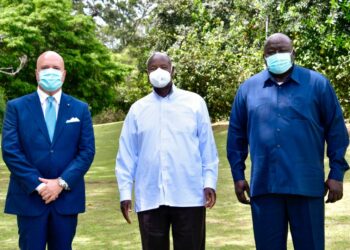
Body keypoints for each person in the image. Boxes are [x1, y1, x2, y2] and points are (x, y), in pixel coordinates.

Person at [226, 33, 349, 250]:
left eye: (282, 50)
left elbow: (337, 132)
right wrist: (238, 175)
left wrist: (336, 174)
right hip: (265, 188)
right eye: (271, 51)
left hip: (306, 187)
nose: (277, 55)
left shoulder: (318, 85)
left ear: (293, 52)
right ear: (263, 56)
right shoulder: (248, 89)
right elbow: (236, 136)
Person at [115, 52, 219, 250]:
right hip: (150, 197)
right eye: (153, 68)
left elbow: (207, 148)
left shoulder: (195, 103)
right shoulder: (137, 110)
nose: (158, 72)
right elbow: (127, 155)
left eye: (163, 66)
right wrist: (125, 193)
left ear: (173, 70)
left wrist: (209, 182)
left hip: (188, 194)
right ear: (146, 74)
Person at [2, 51, 95, 250]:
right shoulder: (16, 107)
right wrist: (41, 186)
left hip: (66, 199)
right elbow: (10, 150)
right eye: (45, 68)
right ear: (36, 74)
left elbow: (87, 151)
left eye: (56, 68)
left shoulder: (80, 109)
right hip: (30, 199)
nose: (50, 72)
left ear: (64, 74)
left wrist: (60, 183)